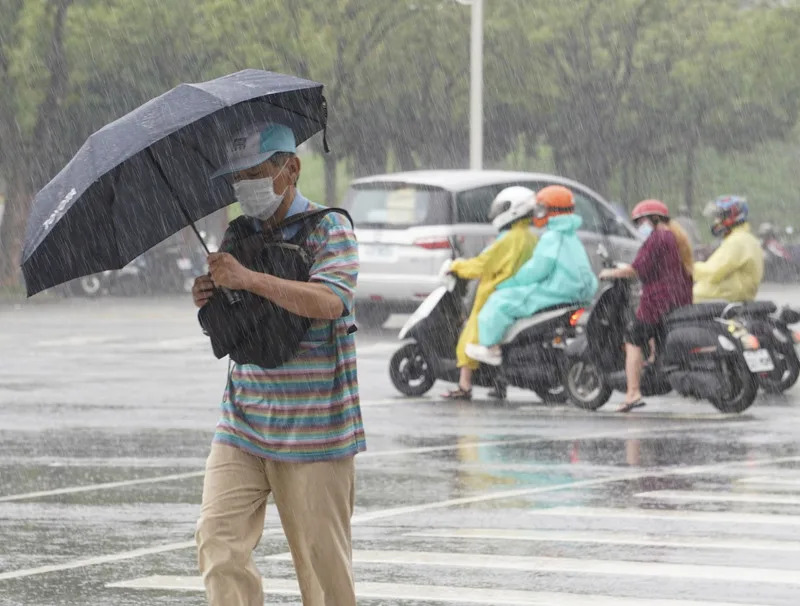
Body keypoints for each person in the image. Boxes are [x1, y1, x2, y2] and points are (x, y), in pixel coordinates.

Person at [191, 122, 365, 606]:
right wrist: (210, 297)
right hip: (244, 422)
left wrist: (250, 279)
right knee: (217, 541)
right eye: (236, 177)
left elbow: (332, 300)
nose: (243, 186)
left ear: (291, 169)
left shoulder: (330, 228)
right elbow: (237, 315)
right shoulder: (237, 233)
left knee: (322, 572)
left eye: (254, 172)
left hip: (316, 429)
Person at [466, 185, 598, 366]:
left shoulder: (552, 237)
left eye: (540, 209)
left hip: (557, 290)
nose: (536, 213)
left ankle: (490, 347)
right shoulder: (569, 236)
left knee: (499, 302)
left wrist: (509, 284)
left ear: (550, 210)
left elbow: (537, 269)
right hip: (576, 292)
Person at [442, 186, 538, 400]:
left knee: (470, 338)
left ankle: (464, 385)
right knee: (499, 341)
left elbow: (482, 264)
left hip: (494, 294)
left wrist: (456, 267)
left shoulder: (509, 239)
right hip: (520, 294)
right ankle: (499, 383)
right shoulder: (530, 238)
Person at [599, 199, 693, 413]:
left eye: (641, 221)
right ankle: (654, 368)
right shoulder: (674, 236)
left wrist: (610, 273)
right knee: (654, 337)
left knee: (632, 338)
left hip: (658, 300)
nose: (640, 226)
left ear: (654, 219)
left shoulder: (658, 238)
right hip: (676, 299)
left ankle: (633, 393)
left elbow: (636, 269)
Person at [694, 195, 763, 302]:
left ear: (731, 216)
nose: (716, 221)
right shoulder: (748, 239)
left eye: (719, 217)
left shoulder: (736, 241)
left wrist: (687, 268)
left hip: (718, 297)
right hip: (734, 296)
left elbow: (713, 272)